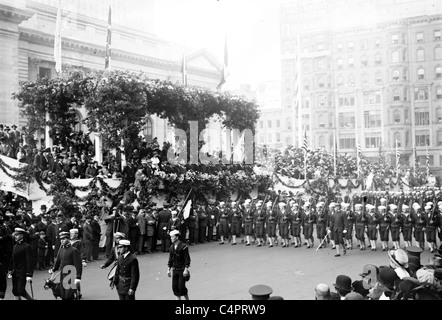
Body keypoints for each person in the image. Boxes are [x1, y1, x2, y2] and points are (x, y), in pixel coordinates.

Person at [50, 231, 82, 300]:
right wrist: (53, 269)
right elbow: (58, 261)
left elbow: (78, 264)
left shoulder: (74, 250)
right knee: (63, 295)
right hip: (62, 274)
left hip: (71, 274)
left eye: (64, 239)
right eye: (61, 239)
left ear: (68, 239)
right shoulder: (61, 250)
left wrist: (78, 277)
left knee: (68, 295)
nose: (62, 241)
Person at [8, 228, 35, 300]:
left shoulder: (26, 247)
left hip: (22, 272)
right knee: (15, 291)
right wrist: (10, 270)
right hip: (15, 272)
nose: (15, 236)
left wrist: (29, 274)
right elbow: (12, 259)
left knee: (21, 290)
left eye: (17, 235)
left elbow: (29, 261)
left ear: (22, 235)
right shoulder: (14, 246)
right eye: (15, 235)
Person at [167, 230, 191, 300]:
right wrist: (168, 269)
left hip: (182, 270)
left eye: (172, 237)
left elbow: (187, 259)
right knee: (175, 287)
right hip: (175, 270)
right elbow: (170, 259)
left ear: (177, 237)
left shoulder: (183, 247)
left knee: (181, 287)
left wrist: (186, 269)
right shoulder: (171, 247)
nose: (171, 238)